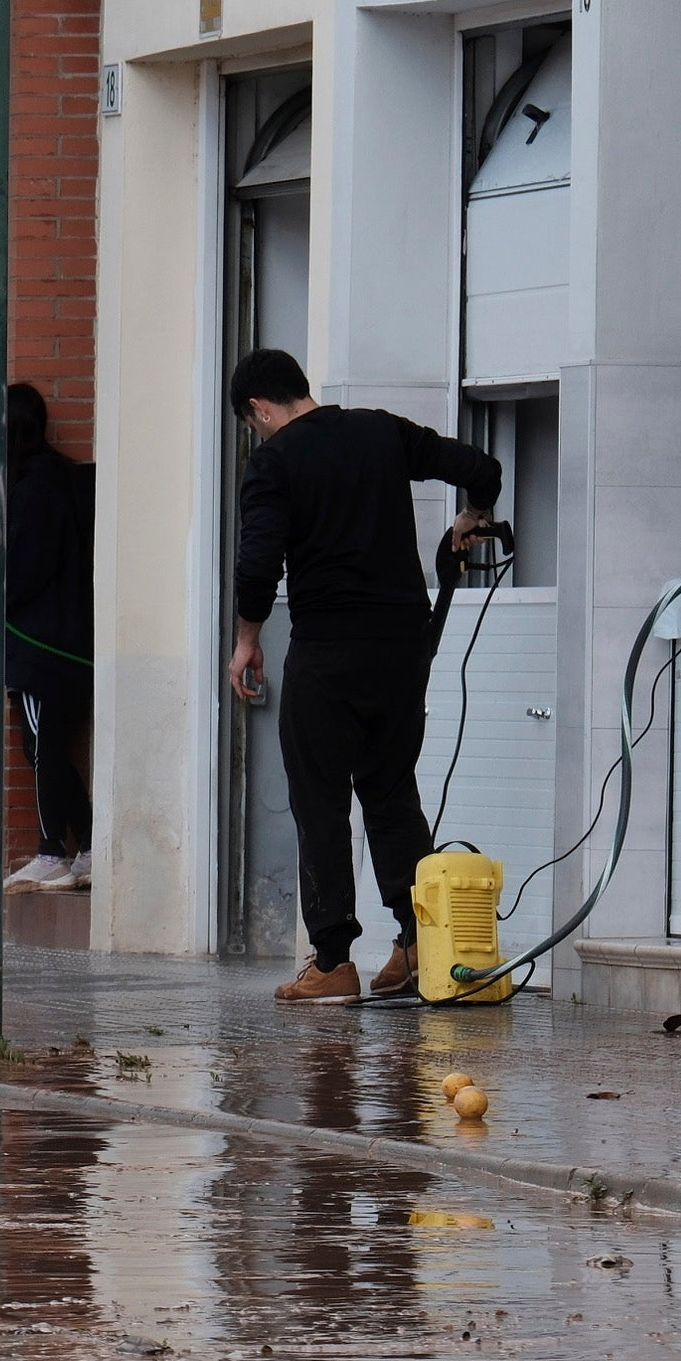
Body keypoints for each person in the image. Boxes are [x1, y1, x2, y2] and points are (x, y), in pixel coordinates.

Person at [226, 349, 501, 1004]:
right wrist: (472, 516)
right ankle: (416, 945)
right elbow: (480, 467)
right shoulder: (380, 430)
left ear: (259, 409)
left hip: (328, 650)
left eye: (252, 423)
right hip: (403, 648)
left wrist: (246, 641)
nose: (257, 433)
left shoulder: (275, 460)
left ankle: (332, 962)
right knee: (391, 793)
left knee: (319, 799)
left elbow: (259, 562)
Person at [3, 382, 97, 892]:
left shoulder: (33, 487)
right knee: (50, 749)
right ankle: (89, 844)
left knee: (41, 748)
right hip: (67, 644)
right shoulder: (58, 479)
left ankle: (49, 852)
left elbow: (25, 567)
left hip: (43, 647)